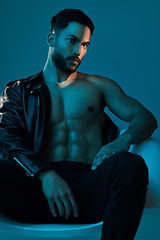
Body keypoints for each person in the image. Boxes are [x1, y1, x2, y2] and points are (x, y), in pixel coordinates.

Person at [0, 8, 158, 240]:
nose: (78, 51)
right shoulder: (18, 91)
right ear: (51, 39)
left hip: (88, 188)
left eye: (85, 45)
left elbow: (146, 118)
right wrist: (45, 174)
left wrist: (123, 140)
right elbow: (6, 137)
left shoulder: (98, 86)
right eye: (72, 41)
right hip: (34, 189)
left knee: (130, 164)